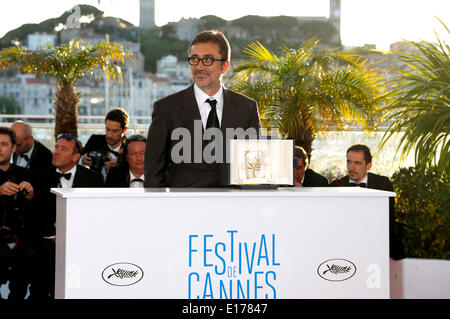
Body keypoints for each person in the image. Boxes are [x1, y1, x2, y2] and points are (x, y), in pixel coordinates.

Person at [144, 30, 261, 187]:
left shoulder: (247, 108)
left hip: (233, 207)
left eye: (207, 59)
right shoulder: (166, 109)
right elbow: (153, 173)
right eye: (194, 59)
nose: (199, 66)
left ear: (225, 66)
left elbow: (254, 167)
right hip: (184, 207)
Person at [27, 134, 104, 299]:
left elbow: (97, 214)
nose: (56, 152)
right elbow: (35, 213)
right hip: (48, 239)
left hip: (82, 240)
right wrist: (54, 235)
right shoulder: (39, 177)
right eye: (56, 147)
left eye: (63, 149)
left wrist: (76, 236)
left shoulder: (93, 179)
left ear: (76, 156)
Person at [329, 144, 405, 260]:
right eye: (349, 162)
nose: (351, 167)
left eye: (357, 163)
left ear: (368, 165)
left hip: (379, 245)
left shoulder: (382, 184)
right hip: (346, 247)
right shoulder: (336, 186)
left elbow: (387, 216)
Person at [0, 127, 34, 298]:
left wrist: (30, 195)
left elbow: (35, 210)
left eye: (4, 144)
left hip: (21, 235)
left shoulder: (24, 173)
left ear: (13, 148)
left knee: (30, 255)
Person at [81, 107, 129, 180]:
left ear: (124, 130)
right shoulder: (95, 140)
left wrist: (118, 167)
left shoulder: (130, 147)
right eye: (107, 129)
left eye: (115, 131)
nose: (109, 135)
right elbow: (76, 159)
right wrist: (83, 160)